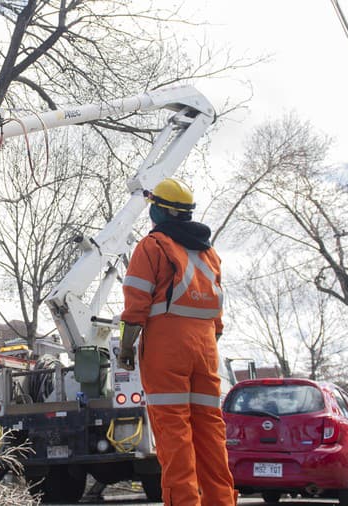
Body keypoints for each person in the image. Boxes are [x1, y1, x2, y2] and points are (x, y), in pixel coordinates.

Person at [117, 178, 235, 506]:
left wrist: (127, 349)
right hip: (206, 348)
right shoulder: (208, 253)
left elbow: (136, 305)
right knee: (211, 436)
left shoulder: (152, 245)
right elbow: (217, 313)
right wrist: (207, 344)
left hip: (167, 349)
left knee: (175, 439)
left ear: (160, 210)